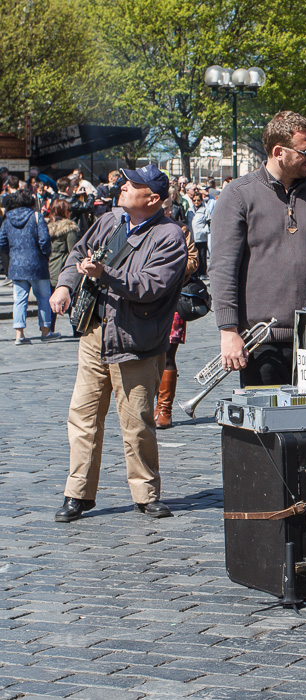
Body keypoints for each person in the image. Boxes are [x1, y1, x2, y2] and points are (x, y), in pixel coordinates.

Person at [49, 164, 188, 522]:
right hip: (96, 333)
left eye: (132, 184)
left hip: (135, 341)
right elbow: (78, 254)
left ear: (152, 198)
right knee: (82, 418)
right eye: (125, 182)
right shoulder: (110, 220)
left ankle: (146, 493)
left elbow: (150, 286)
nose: (122, 186)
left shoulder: (169, 235)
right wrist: (65, 285)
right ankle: (76, 493)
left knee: (137, 422)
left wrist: (105, 274)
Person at [210, 111, 306, 386]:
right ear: (278, 152)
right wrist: (228, 330)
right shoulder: (239, 194)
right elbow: (223, 267)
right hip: (262, 342)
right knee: (267, 428)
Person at [155, 203, 199, 429]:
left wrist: (171, 267)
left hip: (172, 300)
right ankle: (145, 407)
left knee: (167, 355)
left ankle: (164, 409)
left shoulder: (180, 230)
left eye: (169, 207)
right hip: (143, 301)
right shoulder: (139, 229)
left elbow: (194, 260)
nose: (167, 212)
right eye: (163, 208)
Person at [0, 189, 57, 344]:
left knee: (19, 300)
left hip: (16, 265)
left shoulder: (7, 219)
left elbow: (2, 242)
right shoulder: (36, 216)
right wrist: (45, 255)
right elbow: (44, 240)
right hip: (37, 263)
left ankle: (19, 334)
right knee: (44, 297)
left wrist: (13, 254)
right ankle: (45, 331)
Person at [47, 199, 80, 333]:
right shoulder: (69, 228)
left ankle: (49, 329)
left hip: (49, 267)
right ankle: (77, 329)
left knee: (51, 300)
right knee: (71, 300)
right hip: (63, 266)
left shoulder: (47, 226)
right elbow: (73, 251)